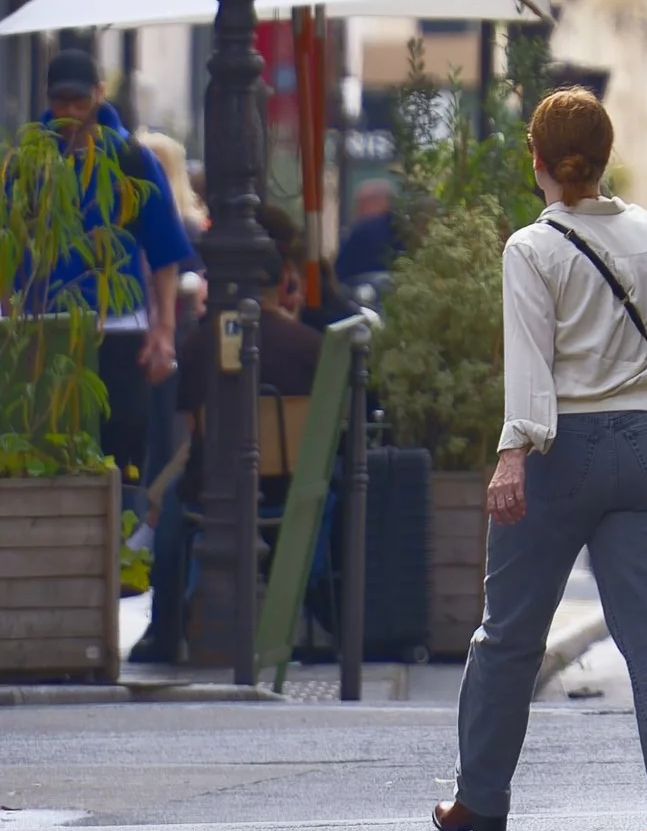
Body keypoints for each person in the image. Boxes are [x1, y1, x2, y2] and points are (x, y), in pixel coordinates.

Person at [434, 89, 647, 831]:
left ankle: (480, 797)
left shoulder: (533, 247)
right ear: (606, 153)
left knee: (511, 632)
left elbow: (531, 364)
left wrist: (512, 452)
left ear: (537, 159)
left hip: (563, 450)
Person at [132, 206, 324, 667]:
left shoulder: (200, 342)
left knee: (172, 510)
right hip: (292, 487)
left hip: (211, 489)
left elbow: (195, 428)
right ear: (284, 284)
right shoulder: (313, 348)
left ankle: (165, 631)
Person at [23, 45, 185, 489]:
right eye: (61, 102)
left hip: (117, 324)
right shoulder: (29, 160)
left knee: (120, 450)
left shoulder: (130, 158)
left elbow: (165, 248)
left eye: (80, 101)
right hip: (40, 326)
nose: (70, 112)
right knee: (42, 453)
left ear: (99, 93)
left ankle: (119, 546)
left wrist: (164, 330)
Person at [333, 177, 401, 293]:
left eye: (362, 203)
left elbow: (340, 272)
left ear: (378, 202)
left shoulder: (360, 232)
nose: (357, 209)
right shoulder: (404, 229)